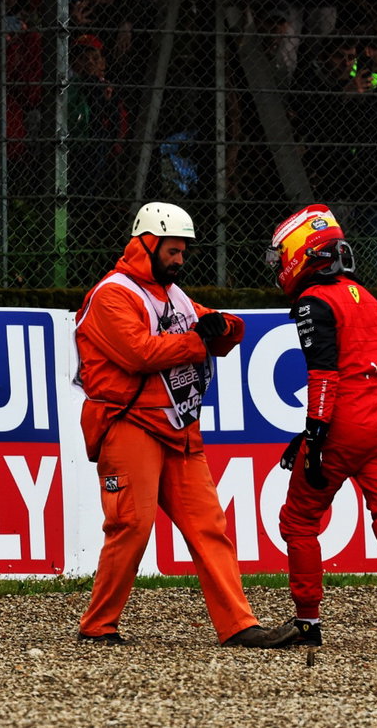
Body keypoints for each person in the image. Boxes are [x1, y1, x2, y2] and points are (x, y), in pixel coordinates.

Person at [74, 202, 291, 648]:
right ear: (147, 245)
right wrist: (200, 340)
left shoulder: (171, 295)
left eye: (182, 253)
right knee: (131, 526)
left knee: (209, 526)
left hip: (176, 427)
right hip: (128, 423)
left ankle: (239, 626)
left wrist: (224, 327)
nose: (180, 260)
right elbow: (139, 354)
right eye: (173, 252)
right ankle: (98, 625)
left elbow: (223, 329)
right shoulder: (113, 294)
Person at [265, 204, 377, 648]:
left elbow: (325, 375)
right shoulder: (369, 299)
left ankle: (307, 621)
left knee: (299, 521)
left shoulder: (313, 302)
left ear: (300, 253)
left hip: (340, 423)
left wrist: (313, 436)